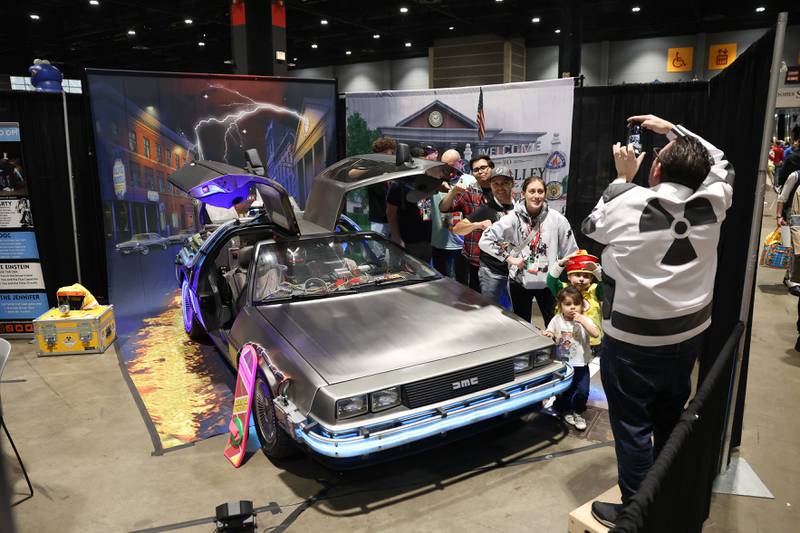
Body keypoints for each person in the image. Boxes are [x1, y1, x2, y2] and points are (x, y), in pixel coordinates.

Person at [581, 114, 733, 528]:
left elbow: (590, 226)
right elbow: (721, 160)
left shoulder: (626, 201)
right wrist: (671, 129)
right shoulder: (716, 198)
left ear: (657, 169)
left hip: (632, 342)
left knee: (632, 427)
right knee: (670, 416)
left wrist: (621, 180)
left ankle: (637, 512)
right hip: (689, 334)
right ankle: (665, 494)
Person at [479, 175, 578, 327]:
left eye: (540, 191)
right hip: (520, 282)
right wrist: (509, 258)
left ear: (545, 194)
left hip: (549, 282)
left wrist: (574, 279)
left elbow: (571, 251)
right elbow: (485, 240)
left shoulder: (557, 219)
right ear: (523, 194)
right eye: (532, 191)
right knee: (522, 325)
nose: (536, 196)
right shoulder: (512, 218)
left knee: (555, 324)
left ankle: (553, 350)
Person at [452, 166, 514, 305]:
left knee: (516, 311)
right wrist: (477, 225)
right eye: (495, 184)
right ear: (491, 186)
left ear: (512, 183)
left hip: (515, 270)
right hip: (492, 271)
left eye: (504, 183)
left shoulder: (521, 208)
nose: (500, 187)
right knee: (490, 310)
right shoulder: (486, 209)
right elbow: (457, 228)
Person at [543, 286, 600, 431]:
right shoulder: (557, 320)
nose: (572, 308)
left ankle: (578, 412)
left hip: (581, 364)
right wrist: (549, 334)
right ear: (560, 306)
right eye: (568, 304)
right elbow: (550, 330)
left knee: (583, 391)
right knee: (565, 390)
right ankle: (566, 410)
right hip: (564, 364)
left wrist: (583, 321)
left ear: (582, 306)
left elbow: (595, 334)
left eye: (576, 304)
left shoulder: (584, 320)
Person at [439, 154, 495, 291]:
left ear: (491, 167)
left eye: (483, 167)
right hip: (475, 256)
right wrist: (454, 191)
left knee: (500, 303)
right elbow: (443, 208)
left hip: (497, 259)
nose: (480, 171)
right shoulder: (470, 193)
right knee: (476, 297)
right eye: (476, 169)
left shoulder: (501, 191)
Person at [547, 250, 603, 353]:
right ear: (569, 276)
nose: (581, 279)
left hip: (592, 342)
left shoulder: (595, 290)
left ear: (591, 278)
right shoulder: (563, 290)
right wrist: (560, 264)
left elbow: (605, 285)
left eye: (586, 276)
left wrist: (596, 270)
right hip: (568, 341)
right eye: (577, 275)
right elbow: (551, 281)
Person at [430, 149, 468, 283]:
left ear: (460, 163)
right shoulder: (433, 181)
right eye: (444, 165)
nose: (447, 169)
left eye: (450, 165)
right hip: (440, 242)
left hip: (462, 244)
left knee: (463, 282)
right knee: (441, 283)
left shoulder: (468, 182)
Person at [386, 182, 432, 263]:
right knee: (403, 273)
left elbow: (426, 214)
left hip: (425, 242)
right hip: (406, 243)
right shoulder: (398, 186)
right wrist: (397, 238)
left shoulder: (424, 184)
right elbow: (390, 213)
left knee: (424, 274)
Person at [776, 168, 800, 296]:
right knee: (795, 248)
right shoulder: (795, 176)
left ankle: (788, 277)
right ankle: (793, 280)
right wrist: (779, 216)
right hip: (794, 215)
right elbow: (782, 197)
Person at [367, 137, 396, 237]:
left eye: (393, 153)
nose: (392, 156)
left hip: (393, 220)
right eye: (390, 153)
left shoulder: (394, 171)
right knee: (378, 251)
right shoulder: (372, 170)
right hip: (379, 220)